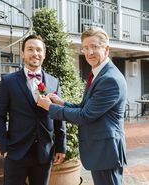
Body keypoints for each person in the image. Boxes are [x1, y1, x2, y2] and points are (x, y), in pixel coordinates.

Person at [37, 27, 127, 185]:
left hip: (106, 151)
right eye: (85, 48)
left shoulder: (110, 79)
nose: (89, 52)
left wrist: (49, 107)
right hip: (102, 150)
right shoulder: (98, 73)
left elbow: (85, 116)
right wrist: (63, 102)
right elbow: (85, 107)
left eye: (94, 46)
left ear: (106, 49)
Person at [0, 34, 66, 185]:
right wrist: (4, 145)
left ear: (44, 54)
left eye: (39, 50)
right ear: (23, 53)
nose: (35, 53)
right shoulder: (8, 82)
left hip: (44, 152)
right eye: (30, 49)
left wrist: (61, 146)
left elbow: (58, 116)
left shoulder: (53, 82)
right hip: (16, 151)